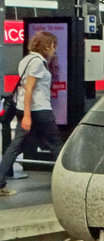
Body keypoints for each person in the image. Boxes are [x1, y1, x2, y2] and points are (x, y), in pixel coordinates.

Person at [0, 31, 63, 196]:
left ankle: (0, 183)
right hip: (39, 111)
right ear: (47, 46)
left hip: (25, 110)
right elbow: (29, 90)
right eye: (52, 46)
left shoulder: (26, 60)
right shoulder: (37, 63)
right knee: (57, 146)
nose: (54, 49)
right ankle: (66, 183)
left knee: (15, 147)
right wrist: (28, 116)